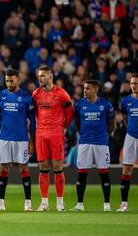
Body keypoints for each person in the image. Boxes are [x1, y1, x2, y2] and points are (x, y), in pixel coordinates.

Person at [0, 69, 35, 212]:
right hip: (5, 138)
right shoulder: (1, 96)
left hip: (21, 138)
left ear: (18, 79)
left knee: (23, 167)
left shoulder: (26, 97)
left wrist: (31, 140)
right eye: (7, 81)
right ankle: (0, 203)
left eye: (12, 80)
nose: (9, 83)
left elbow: (32, 121)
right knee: (4, 168)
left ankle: (28, 203)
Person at [32, 65, 73, 212]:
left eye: (42, 76)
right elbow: (35, 113)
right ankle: (44, 203)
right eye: (38, 76)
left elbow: (69, 115)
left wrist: (62, 127)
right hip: (41, 134)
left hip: (56, 134)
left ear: (50, 76)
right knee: (43, 168)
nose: (40, 79)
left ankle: (60, 203)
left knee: (57, 167)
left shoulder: (62, 94)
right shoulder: (36, 94)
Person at [71, 79, 114, 212]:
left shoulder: (105, 105)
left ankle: (107, 204)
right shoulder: (80, 104)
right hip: (85, 143)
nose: (85, 90)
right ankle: (80, 204)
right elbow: (77, 120)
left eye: (88, 88)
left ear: (96, 89)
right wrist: (82, 133)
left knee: (104, 173)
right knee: (82, 173)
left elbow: (111, 124)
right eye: (84, 88)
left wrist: (104, 135)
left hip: (101, 143)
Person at [118, 73, 138, 212]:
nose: (133, 85)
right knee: (126, 169)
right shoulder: (125, 101)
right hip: (131, 137)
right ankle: (124, 203)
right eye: (132, 83)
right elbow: (125, 118)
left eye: (136, 83)